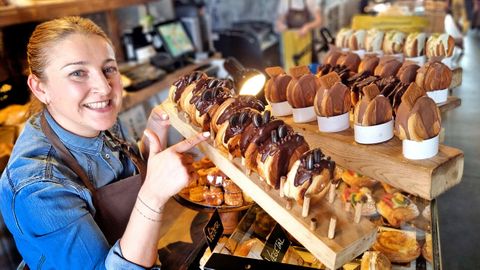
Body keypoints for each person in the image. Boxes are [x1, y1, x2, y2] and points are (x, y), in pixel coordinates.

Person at [0, 16, 209, 269]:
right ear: (40, 88)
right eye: (78, 73)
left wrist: (149, 141)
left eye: (108, 68)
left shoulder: (94, 121)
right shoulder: (36, 186)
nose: (104, 86)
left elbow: (122, 176)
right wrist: (153, 196)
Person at [275, 0, 323, 70]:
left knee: (309, 70)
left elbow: (319, 21)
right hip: (290, 45)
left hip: (307, 45)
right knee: (291, 69)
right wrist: (281, 26)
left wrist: (307, 27)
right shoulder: (285, 2)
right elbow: (279, 22)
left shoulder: (309, 1)